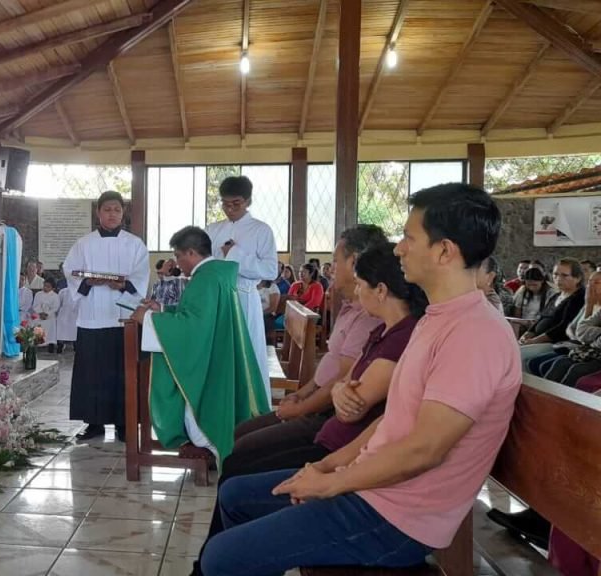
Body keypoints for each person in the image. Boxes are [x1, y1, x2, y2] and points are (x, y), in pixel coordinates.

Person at [200, 183, 521, 576]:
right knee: (235, 495)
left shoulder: (474, 333)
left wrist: (332, 484)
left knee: (223, 558)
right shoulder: (438, 319)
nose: (399, 248)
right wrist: (329, 466)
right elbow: (394, 420)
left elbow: (426, 450)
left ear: (444, 251)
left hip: (400, 516)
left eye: (408, 237)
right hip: (375, 487)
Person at [194, 242, 426, 572]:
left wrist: (328, 468)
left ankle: (218, 563)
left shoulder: (405, 336)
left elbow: (352, 406)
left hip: (341, 446)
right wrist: (322, 395)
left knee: (239, 472)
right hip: (334, 438)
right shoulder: (382, 329)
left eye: (362, 284)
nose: (357, 290)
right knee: (237, 464)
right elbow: (347, 382)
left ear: (382, 290)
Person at [132, 226, 270, 465]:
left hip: (211, 361)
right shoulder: (216, 274)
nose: (177, 262)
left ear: (192, 253)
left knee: (192, 398)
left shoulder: (204, 279)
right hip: (219, 352)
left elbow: (192, 328)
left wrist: (147, 319)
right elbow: (200, 317)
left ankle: (207, 443)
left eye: (178, 256)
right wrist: (162, 310)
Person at [63, 191, 149, 442]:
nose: (112, 214)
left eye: (117, 210)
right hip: (92, 315)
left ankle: (125, 423)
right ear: (98, 212)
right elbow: (71, 272)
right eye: (107, 209)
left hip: (123, 315)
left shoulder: (134, 244)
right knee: (92, 372)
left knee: (123, 371)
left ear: (123, 213)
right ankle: (94, 423)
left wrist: (122, 284)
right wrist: (89, 281)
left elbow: (141, 277)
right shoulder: (84, 244)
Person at [205, 176, 279, 399]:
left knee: (247, 354)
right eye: (225, 203)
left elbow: (270, 270)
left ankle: (251, 411)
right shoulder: (212, 229)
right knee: (219, 356)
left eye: (235, 203)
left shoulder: (261, 230)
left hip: (245, 298)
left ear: (248, 201)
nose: (229, 209)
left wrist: (236, 255)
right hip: (217, 300)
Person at [519, 258, 585, 366]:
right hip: (538, 340)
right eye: (555, 274)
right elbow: (542, 318)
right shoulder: (556, 296)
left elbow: (563, 327)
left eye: (564, 275)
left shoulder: (579, 297)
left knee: (521, 355)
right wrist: (527, 334)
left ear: (577, 278)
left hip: (557, 342)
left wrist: (535, 340)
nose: (558, 279)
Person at [32, 279, 61, 353]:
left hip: (49, 315)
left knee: (51, 324)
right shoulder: (38, 294)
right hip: (39, 314)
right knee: (36, 323)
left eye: (48, 286)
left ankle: (50, 344)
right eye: (44, 286)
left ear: (52, 288)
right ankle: (38, 343)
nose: (45, 288)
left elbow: (56, 307)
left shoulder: (55, 296)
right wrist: (40, 312)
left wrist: (47, 313)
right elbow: (35, 305)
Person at [55, 281, 78, 354]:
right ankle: (60, 345)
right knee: (61, 328)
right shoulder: (63, 291)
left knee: (75, 330)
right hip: (64, 313)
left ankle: (76, 345)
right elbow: (58, 303)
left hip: (75, 314)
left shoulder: (79, 292)